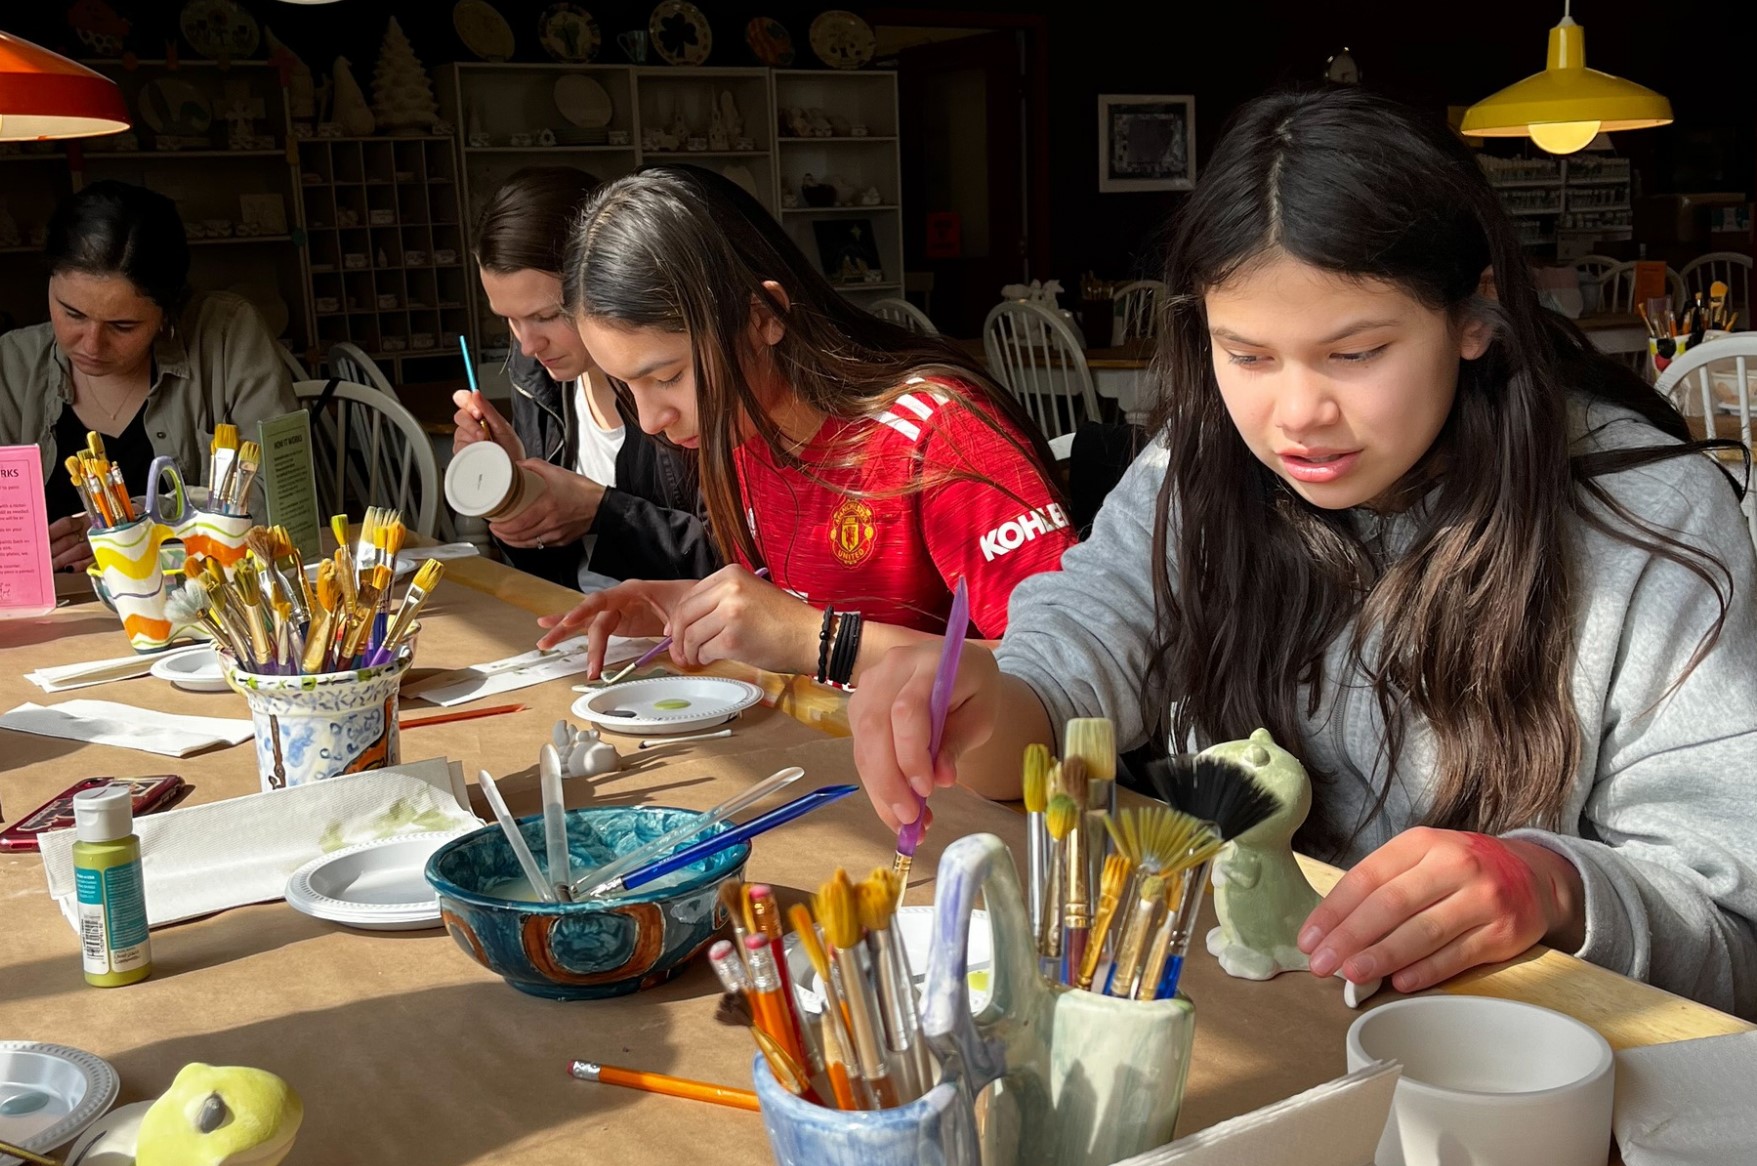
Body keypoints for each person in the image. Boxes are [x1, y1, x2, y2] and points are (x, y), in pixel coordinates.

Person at [848, 88, 1757, 1020]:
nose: (1294, 418)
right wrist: (977, 703)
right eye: (1245, 355)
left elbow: (1733, 934)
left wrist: (1551, 884)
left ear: (1473, 317)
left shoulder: (1645, 516)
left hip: (1520, 1075)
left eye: (1355, 353)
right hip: (1266, 1034)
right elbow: (1058, 690)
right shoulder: (1194, 473)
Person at [535, 166, 1072, 682]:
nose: (651, 420)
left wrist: (819, 641)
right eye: (626, 387)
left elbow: (1061, 663)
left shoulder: (939, 435)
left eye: (669, 376)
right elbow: (791, 610)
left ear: (763, 317)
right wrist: (683, 605)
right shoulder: (747, 433)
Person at [0, 181, 295, 571]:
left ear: (168, 313)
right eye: (72, 314)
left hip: (199, 602)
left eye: (123, 326)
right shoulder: (12, 364)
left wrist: (154, 527)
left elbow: (283, 502)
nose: (91, 344)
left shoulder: (226, 336)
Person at [452, 167, 717, 591]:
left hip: (673, 639)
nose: (527, 345)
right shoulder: (538, 377)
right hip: (576, 631)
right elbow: (546, 574)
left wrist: (602, 511)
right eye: (510, 321)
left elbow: (735, 567)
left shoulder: (679, 384)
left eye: (546, 316)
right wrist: (514, 495)